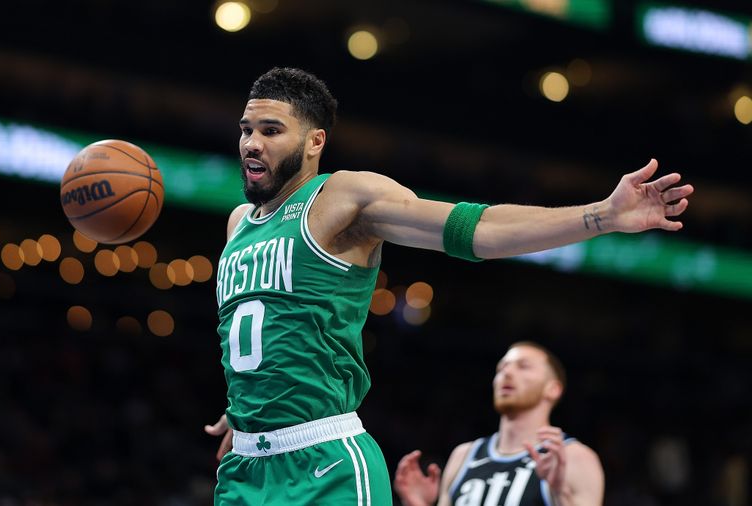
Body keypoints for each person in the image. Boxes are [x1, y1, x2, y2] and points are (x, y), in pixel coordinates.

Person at [203, 67, 692, 505]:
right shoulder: (238, 224)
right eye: (247, 129)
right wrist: (250, 411)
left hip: (324, 464)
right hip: (244, 466)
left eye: (271, 131)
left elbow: (473, 229)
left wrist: (602, 215)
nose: (251, 143)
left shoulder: (343, 197)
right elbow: (262, 333)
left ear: (314, 142)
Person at [394, 342, 603, 506]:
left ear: (553, 389)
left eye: (523, 366)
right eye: (501, 368)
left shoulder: (575, 457)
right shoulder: (465, 455)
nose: (507, 373)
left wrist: (559, 493)